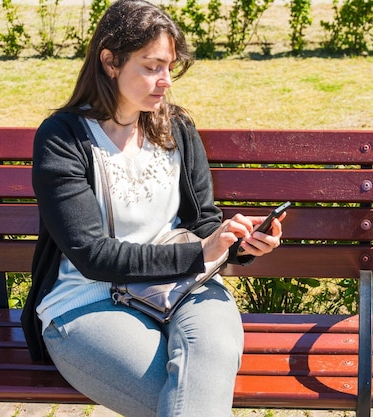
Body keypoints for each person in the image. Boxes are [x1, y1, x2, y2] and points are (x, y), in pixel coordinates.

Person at [20, 1, 284, 416]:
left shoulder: (175, 126)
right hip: (89, 302)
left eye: (169, 67)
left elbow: (202, 224)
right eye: (150, 66)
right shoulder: (63, 139)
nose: (165, 81)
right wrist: (200, 253)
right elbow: (92, 255)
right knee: (191, 401)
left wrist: (237, 244)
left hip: (186, 287)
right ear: (110, 61)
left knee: (205, 370)